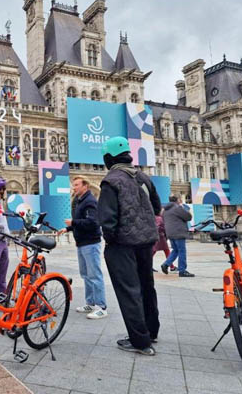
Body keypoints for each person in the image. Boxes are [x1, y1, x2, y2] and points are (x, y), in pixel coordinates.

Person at [98, 137, 161, 356]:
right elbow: (157, 207)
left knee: (129, 292)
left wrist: (111, 239)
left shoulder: (111, 180)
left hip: (123, 245)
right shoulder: (143, 177)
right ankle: (151, 331)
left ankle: (140, 341)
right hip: (146, 242)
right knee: (146, 286)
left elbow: (107, 219)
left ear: (109, 158)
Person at [59, 176, 107, 320]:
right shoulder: (79, 200)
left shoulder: (90, 201)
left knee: (95, 275)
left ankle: (101, 307)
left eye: (77, 185)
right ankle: (91, 303)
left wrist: (73, 222)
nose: (74, 187)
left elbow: (93, 223)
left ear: (85, 186)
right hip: (82, 242)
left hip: (91, 243)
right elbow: (81, 221)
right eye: (74, 185)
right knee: (86, 275)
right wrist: (68, 229)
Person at [160, 196, 194, 277]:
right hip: (178, 232)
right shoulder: (177, 208)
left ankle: (166, 264)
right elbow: (188, 217)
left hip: (170, 233)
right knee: (182, 251)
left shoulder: (165, 210)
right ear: (177, 200)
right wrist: (184, 208)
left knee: (175, 250)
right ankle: (182, 271)